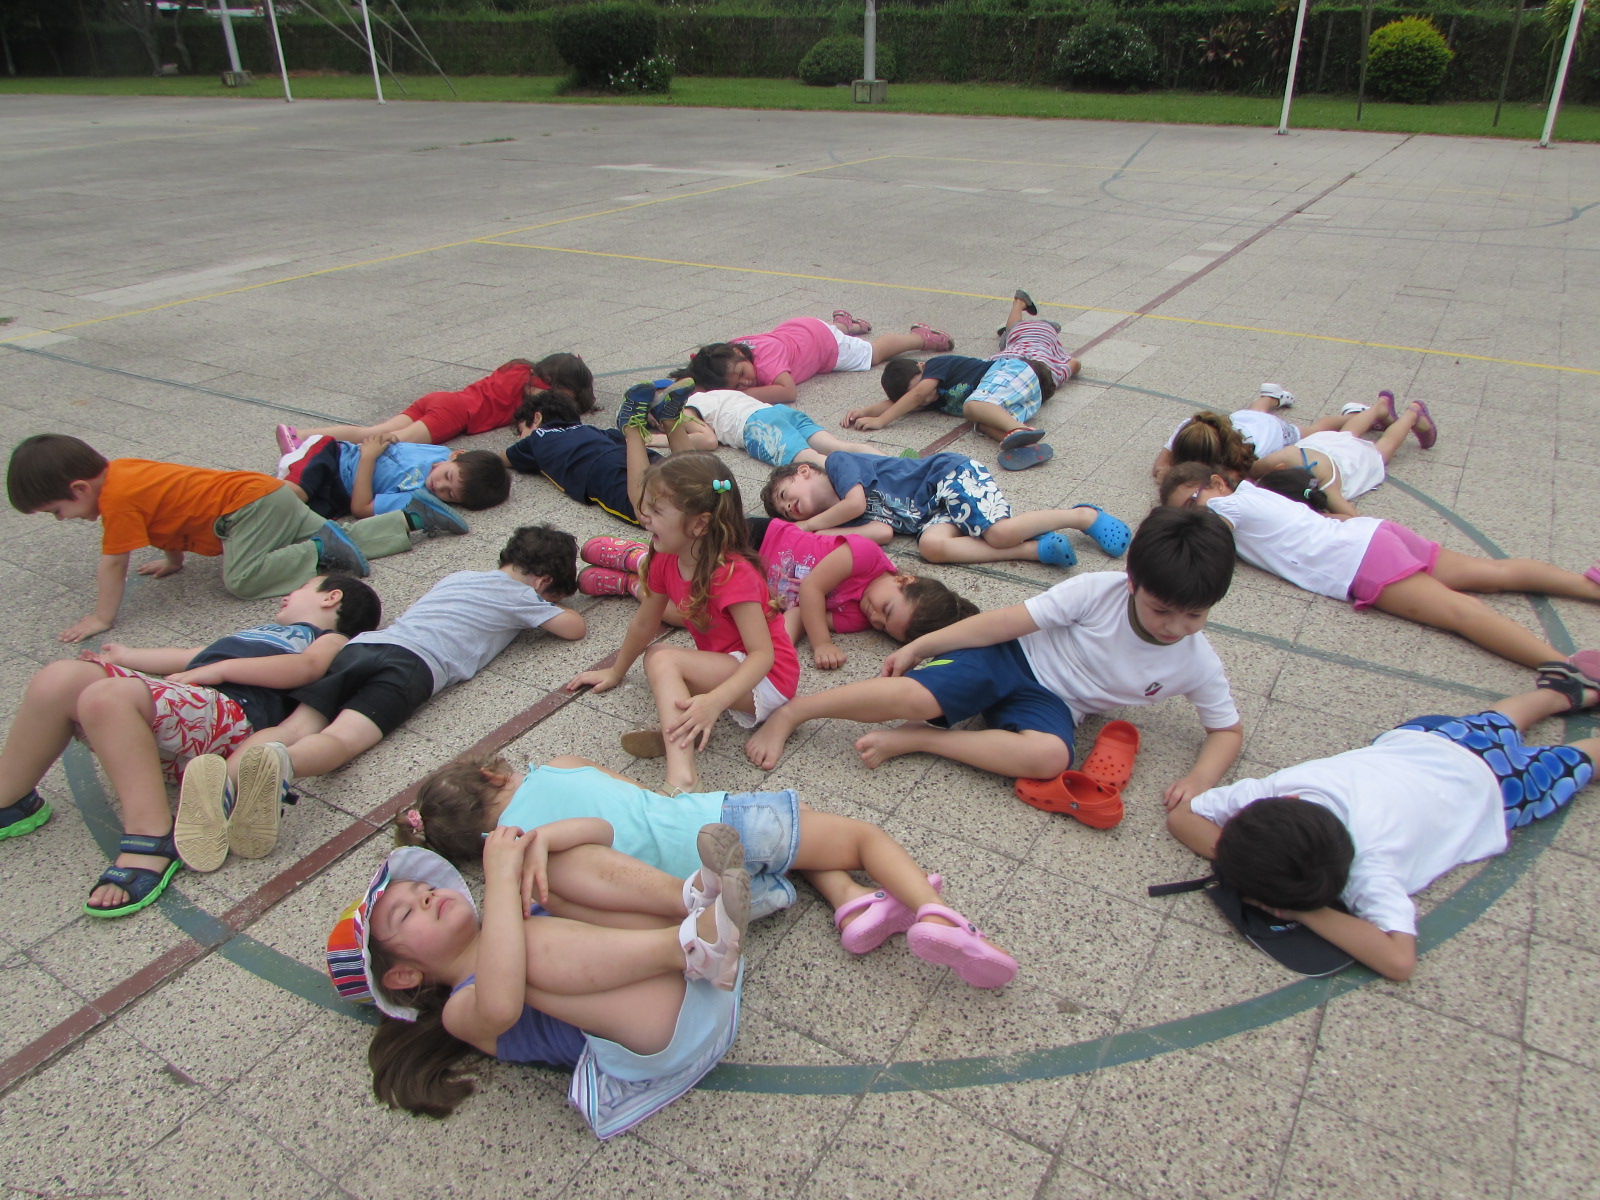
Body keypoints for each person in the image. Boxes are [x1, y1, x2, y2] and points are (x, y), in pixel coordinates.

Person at [744, 507, 1243, 808]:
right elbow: (1004, 623)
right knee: (915, 696)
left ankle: (924, 740)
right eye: (1161, 610)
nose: (1175, 626)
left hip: (1055, 705)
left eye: (1194, 615)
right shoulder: (1098, 591)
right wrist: (921, 646)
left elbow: (1226, 730)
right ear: (1133, 583)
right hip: (1008, 655)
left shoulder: (1195, 662)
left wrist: (1200, 779)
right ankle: (796, 711)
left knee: (1051, 758)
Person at [403, 754, 1017, 986]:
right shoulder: (558, 765)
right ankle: (938, 914)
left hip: (692, 891)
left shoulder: (523, 861)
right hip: (710, 823)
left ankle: (853, 905)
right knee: (858, 837)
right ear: (492, 775)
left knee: (806, 855)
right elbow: (641, 797)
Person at [1165, 663, 1600, 980]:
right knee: (1498, 723)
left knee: (1571, 762)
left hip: (1498, 789)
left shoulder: (1370, 867)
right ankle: (1560, 694)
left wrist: (1299, 910)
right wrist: (1242, 857)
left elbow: (1399, 961)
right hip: (1431, 738)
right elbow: (1184, 816)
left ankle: (1566, 699)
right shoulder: (1287, 788)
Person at [0, 575, 379, 917]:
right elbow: (191, 657)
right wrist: (126, 656)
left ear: (331, 597)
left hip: (232, 716)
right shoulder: (256, 636)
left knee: (105, 696)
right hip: (179, 721)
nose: (287, 594)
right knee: (59, 678)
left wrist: (219, 670)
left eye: (301, 587)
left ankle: (152, 833)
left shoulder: (328, 639)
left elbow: (306, 668)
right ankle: (11, 799)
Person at [328, 827, 750, 1134]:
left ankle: (690, 898)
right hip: (670, 1029)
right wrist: (500, 879)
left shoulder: (515, 907)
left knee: (544, 869)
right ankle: (692, 946)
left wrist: (539, 841)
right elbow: (501, 1004)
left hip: (703, 984)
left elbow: (601, 831)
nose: (426, 896)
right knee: (516, 947)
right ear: (404, 975)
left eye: (423, 887)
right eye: (406, 913)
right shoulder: (460, 1008)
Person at [176, 527, 585, 835]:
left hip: (363, 647)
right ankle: (283, 764)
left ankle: (221, 781)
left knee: (295, 726)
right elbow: (573, 629)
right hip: (413, 665)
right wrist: (549, 606)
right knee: (341, 739)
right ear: (544, 581)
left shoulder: (459, 577)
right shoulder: (522, 596)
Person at [6, 435, 458, 642]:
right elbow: (165, 514)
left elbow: (113, 561)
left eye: (57, 511)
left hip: (246, 510)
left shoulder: (116, 500)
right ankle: (412, 518)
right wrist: (174, 561)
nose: (62, 520)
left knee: (241, 579)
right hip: (262, 496)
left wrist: (102, 617)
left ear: (79, 489)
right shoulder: (123, 475)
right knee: (346, 535)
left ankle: (320, 551)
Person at [1160, 462, 1600, 669]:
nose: (1195, 513)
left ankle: (1567, 668)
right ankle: (1588, 585)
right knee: (1492, 574)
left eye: (1194, 501)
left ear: (1217, 483)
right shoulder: (1255, 493)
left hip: (1357, 561)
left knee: (1462, 613)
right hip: (1371, 533)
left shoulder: (1228, 509)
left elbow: (1202, 540)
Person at [566, 453, 798, 795]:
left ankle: (682, 780)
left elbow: (763, 655)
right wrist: (615, 671)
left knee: (663, 659)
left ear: (699, 524)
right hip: (731, 665)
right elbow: (644, 623)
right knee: (659, 661)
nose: (644, 517)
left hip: (769, 678)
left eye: (657, 511)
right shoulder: (665, 558)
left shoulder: (734, 574)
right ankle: (680, 732)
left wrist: (714, 701)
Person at [576, 519, 978, 669]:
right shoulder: (866, 556)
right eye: (887, 609)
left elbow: (801, 613)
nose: (875, 617)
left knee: (691, 612)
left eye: (883, 627)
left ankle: (630, 585)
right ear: (904, 579)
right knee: (687, 561)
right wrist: (821, 644)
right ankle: (635, 557)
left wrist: (772, 647)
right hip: (757, 541)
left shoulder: (859, 617)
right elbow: (812, 589)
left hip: (749, 585)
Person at [760, 451, 1131, 568]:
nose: (789, 508)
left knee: (998, 532)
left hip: (946, 476)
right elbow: (882, 532)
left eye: (785, 495)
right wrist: (826, 532)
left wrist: (809, 528)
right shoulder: (844, 516)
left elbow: (855, 502)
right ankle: (1036, 549)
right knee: (931, 547)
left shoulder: (838, 465)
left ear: (804, 472)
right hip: (932, 515)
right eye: (786, 512)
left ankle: (1082, 516)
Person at [283, 353, 595, 448]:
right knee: (391, 443)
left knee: (373, 431)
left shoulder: (519, 368)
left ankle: (300, 435)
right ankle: (318, 453)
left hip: (442, 399)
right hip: (456, 414)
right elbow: (541, 417)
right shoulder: (538, 392)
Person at [676, 313, 953, 406]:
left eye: (742, 374)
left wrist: (740, 394)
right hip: (801, 329)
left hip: (825, 347)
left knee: (873, 353)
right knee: (834, 333)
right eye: (737, 384)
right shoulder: (729, 352)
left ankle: (920, 338)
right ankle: (846, 324)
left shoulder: (767, 362)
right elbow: (705, 372)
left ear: (739, 355)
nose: (745, 382)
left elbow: (788, 392)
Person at [851, 354, 1057, 469]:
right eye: (918, 399)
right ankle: (1024, 444)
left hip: (1013, 372)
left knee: (972, 406)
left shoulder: (935, 365)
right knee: (983, 425)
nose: (925, 398)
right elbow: (898, 402)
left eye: (920, 389)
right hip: (1022, 396)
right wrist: (864, 412)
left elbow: (916, 395)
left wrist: (881, 421)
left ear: (922, 367)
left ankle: (1018, 429)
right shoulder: (929, 397)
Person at [1248, 393, 1436, 514]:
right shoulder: (1283, 457)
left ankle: (1411, 415)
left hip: (1350, 461)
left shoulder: (1328, 488)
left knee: (1381, 451)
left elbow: (1353, 517)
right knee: (1346, 435)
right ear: (1279, 469)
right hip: (1320, 445)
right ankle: (1380, 406)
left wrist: (1323, 517)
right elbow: (1248, 469)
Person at [633, 382, 886, 466]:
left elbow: (707, 440)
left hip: (756, 426)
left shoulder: (685, 409)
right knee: (837, 446)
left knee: (812, 460)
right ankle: (891, 463)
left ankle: (867, 481)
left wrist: (656, 439)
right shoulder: (711, 395)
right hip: (777, 412)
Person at [274, 430, 509, 521]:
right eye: (448, 476)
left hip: (337, 495)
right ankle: (297, 450)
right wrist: (388, 439)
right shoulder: (439, 453)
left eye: (450, 495)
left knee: (290, 516)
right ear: (457, 455)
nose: (439, 486)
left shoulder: (418, 498)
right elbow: (396, 449)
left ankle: (290, 465)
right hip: (334, 457)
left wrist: (368, 458)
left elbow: (361, 508)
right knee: (294, 493)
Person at [1149, 386, 1307, 486]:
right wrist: (1166, 472)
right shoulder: (1193, 428)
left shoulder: (1239, 463)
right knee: (1255, 413)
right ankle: (1269, 397)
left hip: (1276, 430)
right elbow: (1159, 465)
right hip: (1245, 421)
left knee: (1312, 430)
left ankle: (1326, 423)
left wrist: (1171, 479)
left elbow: (1221, 491)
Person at [991, 288, 1081, 388]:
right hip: (1029, 332)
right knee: (1011, 333)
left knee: (1011, 334)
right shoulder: (1048, 375)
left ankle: (1019, 308)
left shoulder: (1051, 376)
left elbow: (1075, 363)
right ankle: (1019, 303)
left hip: (1046, 331)